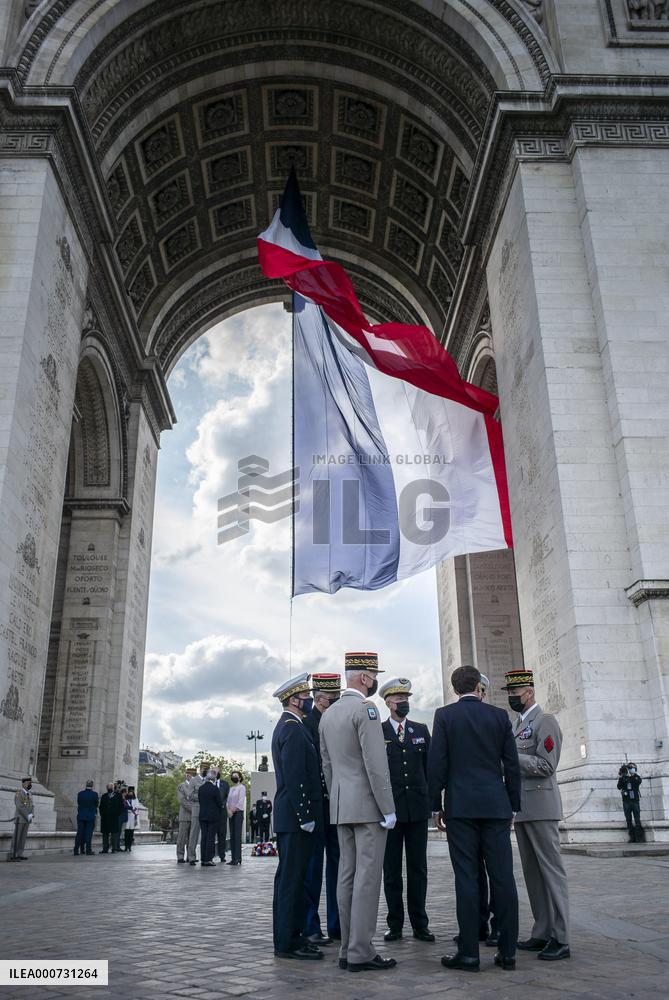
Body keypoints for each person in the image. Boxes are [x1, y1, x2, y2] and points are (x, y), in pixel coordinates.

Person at [428, 664, 521, 973]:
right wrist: (513, 806)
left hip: (461, 807)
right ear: (478, 686)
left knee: (466, 879)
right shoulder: (498, 716)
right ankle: (508, 952)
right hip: (496, 806)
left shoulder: (444, 716)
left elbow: (437, 762)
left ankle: (468, 953)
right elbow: (511, 764)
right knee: (503, 878)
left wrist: (436, 804)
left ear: (456, 689)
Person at [320, 652, 397, 974]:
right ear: (365, 678)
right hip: (368, 807)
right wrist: (388, 808)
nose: (374, 680)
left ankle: (346, 948)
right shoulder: (366, 709)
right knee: (367, 879)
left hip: (341, 805)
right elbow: (376, 764)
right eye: (373, 675)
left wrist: (339, 796)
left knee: (346, 878)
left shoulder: (329, 714)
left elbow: (327, 766)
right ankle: (361, 951)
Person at [503, 668, 570, 962]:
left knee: (551, 872)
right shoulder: (517, 725)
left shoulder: (546, 721)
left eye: (515, 694)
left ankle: (562, 936)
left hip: (542, 807)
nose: (511, 699)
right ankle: (542, 930)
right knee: (532, 874)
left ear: (528, 692)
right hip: (523, 810)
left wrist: (509, 758)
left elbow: (547, 765)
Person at [271, 672, 324, 960]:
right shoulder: (292, 729)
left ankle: (293, 936)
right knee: (292, 881)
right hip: (295, 818)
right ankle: (288, 942)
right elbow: (295, 776)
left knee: (293, 878)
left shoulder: (292, 725)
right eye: (305, 698)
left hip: (293, 817)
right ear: (294, 700)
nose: (308, 702)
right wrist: (305, 813)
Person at [379, 677, 434, 943]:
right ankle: (395, 924)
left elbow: (430, 770)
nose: (404, 703)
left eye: (406, 699)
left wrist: (435, 805)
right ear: (388, 703)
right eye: (399, 700)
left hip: (417, 809)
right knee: (391, 870)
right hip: (390, 811)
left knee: (418, 869)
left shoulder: (421, 729)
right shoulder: (378, 732)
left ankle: (420, 924)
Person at [302, 672, 342, 945]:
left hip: (338, 804)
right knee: (313, 869)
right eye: (331, 700)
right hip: (317, 806)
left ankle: (338, 925)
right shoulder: (305, 725)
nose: (335, 704)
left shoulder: (338, 720)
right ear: (318, 700)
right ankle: (311, 926)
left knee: (340, 868)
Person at [477, 673, 499, 948]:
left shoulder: (497, 719)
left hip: (484, 809)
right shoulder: (499, 719)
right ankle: (478, 924)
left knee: (495, 874)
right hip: (491, 806)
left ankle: (496, 926)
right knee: (475, 874)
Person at [198, 769, 223, 866]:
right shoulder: (215, 789)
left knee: (204, 837)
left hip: (202, 815)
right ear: (214, 777)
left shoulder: (201, 788)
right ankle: (208, 858)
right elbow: (219, 803)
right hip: (213, 816)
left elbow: (200, 801)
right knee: (210, 838)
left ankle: (203, 858)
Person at [10, 777, 34, 861]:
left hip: (27, 819)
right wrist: (27, 815)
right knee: (17, 836)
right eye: (28, 783)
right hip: (20, 819)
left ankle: (20, 853)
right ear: (23, 784)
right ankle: (13, 854)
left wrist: (31, 814)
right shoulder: (19, 793)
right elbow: (20, 806)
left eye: (30, 783)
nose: (30, 785)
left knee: (23, 837)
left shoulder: (30, 794)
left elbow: (32, 806)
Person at [618, 763, 644, 842]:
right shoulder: (623, 778)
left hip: (635, 801)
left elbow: (639, 781)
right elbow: (619, 787)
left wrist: (632, 775)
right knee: (628, 820)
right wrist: (623, 777)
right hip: (626, 801)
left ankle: (639, 837)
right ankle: (632, 837)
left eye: (631, 768)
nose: (630, 769)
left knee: (637, 819)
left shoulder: (636, 777)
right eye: (629, 768)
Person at [74, 780, 99, 856]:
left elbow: (79, 802)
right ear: (92, 786)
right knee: (88, 834)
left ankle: (76, 850)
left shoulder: (80, 794)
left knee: (79, 833)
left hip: (81, 815)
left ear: (86, 785)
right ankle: (88, 850)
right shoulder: (95, 794)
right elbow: (96, 804)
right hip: (90, 816)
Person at [226, 769, 245, 865]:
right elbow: (227, 801)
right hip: (230, 814)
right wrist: (228, 810)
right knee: (232, 836)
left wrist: (233, 810)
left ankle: (238, 858)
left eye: (236, 775)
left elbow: (241, 801)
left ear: (240, 777)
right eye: (233, 775)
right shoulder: (231, 788)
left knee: (237, 836)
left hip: (238, 813)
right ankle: (233, 858)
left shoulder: (242, 787)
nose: (234, 777)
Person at [176, 767, 196, 863]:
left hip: (194, 816)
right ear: (187, 775)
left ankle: (191, 857)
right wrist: (194, 809)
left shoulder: (196, 786)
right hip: (184, 815)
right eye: (191, 775)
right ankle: (180, 856)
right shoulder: (181, 786)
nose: (193, 777)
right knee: (182, 838)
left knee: (192, 838)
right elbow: (182, 800)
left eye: (194, 775)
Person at [187, 767, 205, 866]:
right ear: (201, 769)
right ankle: (191, 857)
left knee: (206, 835)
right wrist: (202, 796)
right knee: (194, 834)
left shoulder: (208, 780)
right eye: (204, 768)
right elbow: (190, 795)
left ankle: (205, 857)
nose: (205, 770)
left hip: (206, 811)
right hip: (196, 810)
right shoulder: (193, 780)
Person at [99, 782, 124, 853]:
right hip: (105, 818)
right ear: (107, 788)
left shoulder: (118, 795)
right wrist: (102, 814)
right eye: (108, 787)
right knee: (105, 834)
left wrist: (117, 814)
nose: (109, 788)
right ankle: (105, 848)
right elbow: (101, 807)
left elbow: (121, 806)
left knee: (114, 834)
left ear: (113, 788)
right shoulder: (104, 796)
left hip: (114, 818)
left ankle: (114, 848)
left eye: (111, 787)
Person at [215, 771, 230, 861]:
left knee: (222, 834)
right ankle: (211, 855)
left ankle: (222, 855)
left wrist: (222, 804)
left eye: (217, 772)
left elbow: (228, 796)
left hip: (222, 812)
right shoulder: (210, 783)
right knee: (212, 834)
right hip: (213, 812)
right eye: (214, 772)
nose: (216, 773)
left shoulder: (225, 784)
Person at [122, 786, 139, 852]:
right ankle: (126, 846)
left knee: (131, 832)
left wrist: (134, 813)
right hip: (127, 816)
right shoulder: (125, 799)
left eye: (132, 792)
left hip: (132, 816)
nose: (130, 793)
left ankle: (129, 846)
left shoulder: (135, 799)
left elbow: (136, 807)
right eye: (129, 792)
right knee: (126, 832)